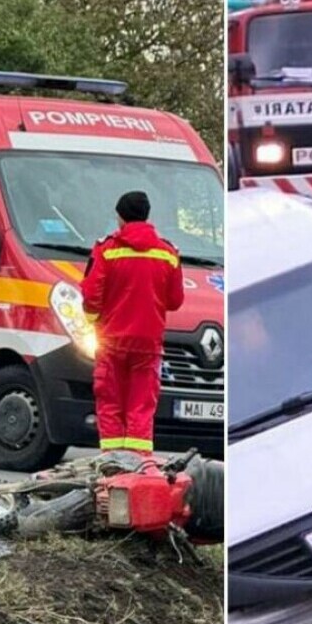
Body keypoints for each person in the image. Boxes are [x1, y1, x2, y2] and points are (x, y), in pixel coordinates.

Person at [81, 190, 185, 458]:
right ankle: (138, 465)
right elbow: (175, 300)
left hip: (112, 341)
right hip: (149, 344)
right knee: (141, 406)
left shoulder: (106, 251)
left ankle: (113, 465)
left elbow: (91, 297)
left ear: (120, 217)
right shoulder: (168, 253)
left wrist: (95, 323)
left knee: (110, 403)